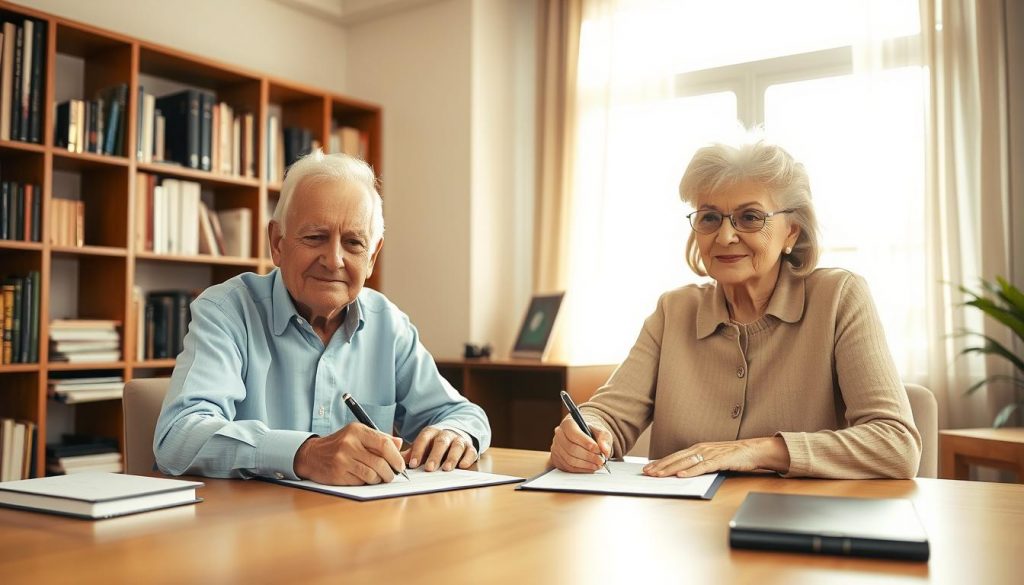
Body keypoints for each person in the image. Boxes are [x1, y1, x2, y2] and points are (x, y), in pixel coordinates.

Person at [550, 137, 921, 479]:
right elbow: (609, 415)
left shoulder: (839, 296)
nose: (726, 236)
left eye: (750, 217)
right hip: (680, 530)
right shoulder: (673, 311)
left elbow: (895, 444)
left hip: (797, 530)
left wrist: (756, 450)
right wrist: (583, 434)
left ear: (791, 231)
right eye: (710, 217)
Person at [155, 150, 491, 486]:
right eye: (315, 237)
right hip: (252, 528)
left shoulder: (388, 324)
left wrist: (455, 435)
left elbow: (463, 415)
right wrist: (303, 454)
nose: (333, 260)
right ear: (277, 243)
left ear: (372, 257)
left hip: (358, 529)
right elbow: (178, 436)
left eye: (353, 242)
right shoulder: (227, 311)